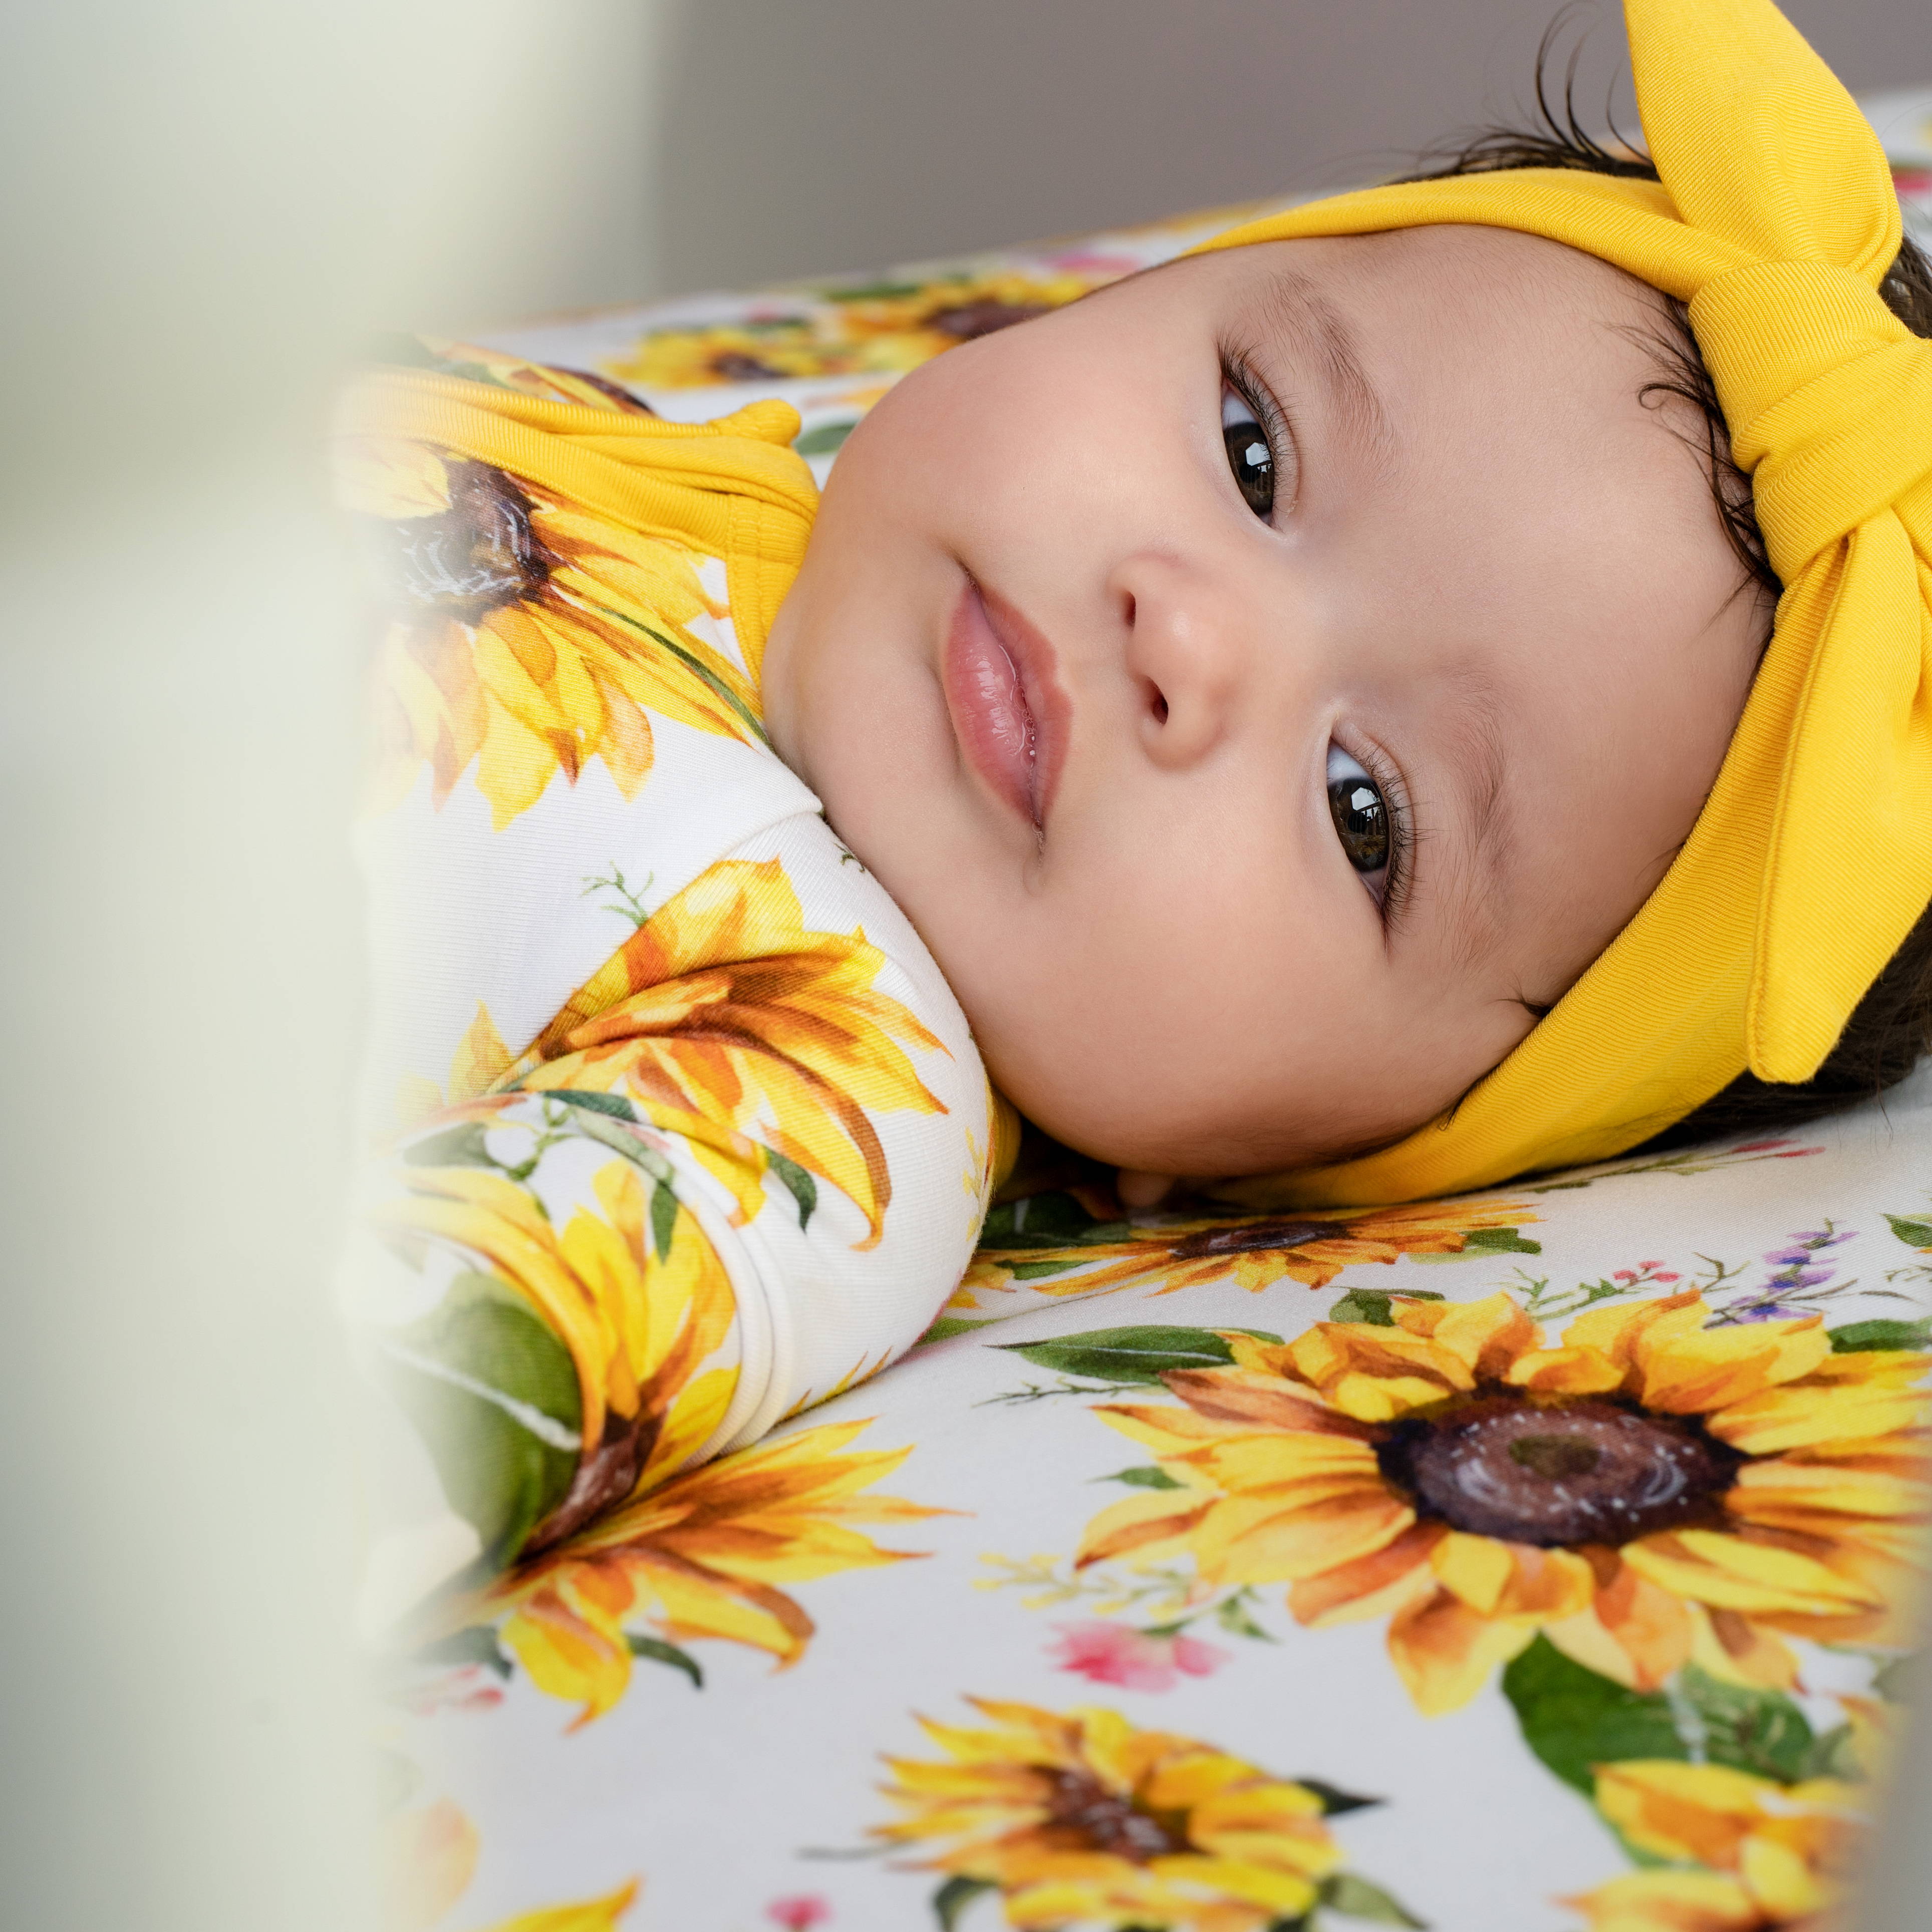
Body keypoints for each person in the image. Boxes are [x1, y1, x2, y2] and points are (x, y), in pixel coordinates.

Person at [338, 0, 1931, 1616]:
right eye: (1251, 447)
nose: (1184, 637)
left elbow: (360, 1422)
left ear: (1349, 1149)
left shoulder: (837, 1099)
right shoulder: (657, 454)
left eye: (1360, 810)